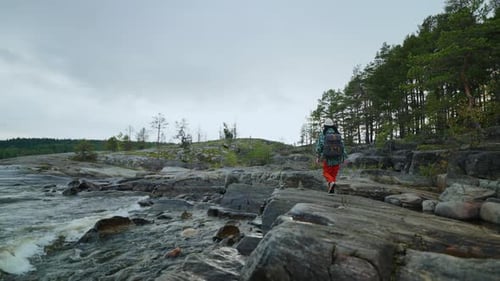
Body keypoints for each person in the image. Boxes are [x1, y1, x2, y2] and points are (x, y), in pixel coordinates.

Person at [315, 118, 347, 194]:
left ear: (325, 126)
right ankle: (331, 188)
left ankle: (331, 183)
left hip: (327, 158)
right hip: (337, 158)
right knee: (333, 174)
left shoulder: (323, 135)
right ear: (333, 125)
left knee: (326, 173)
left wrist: (317, 156)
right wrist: (344, 157)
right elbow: (342, 146)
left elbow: (319, 147)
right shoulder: (337, 135)